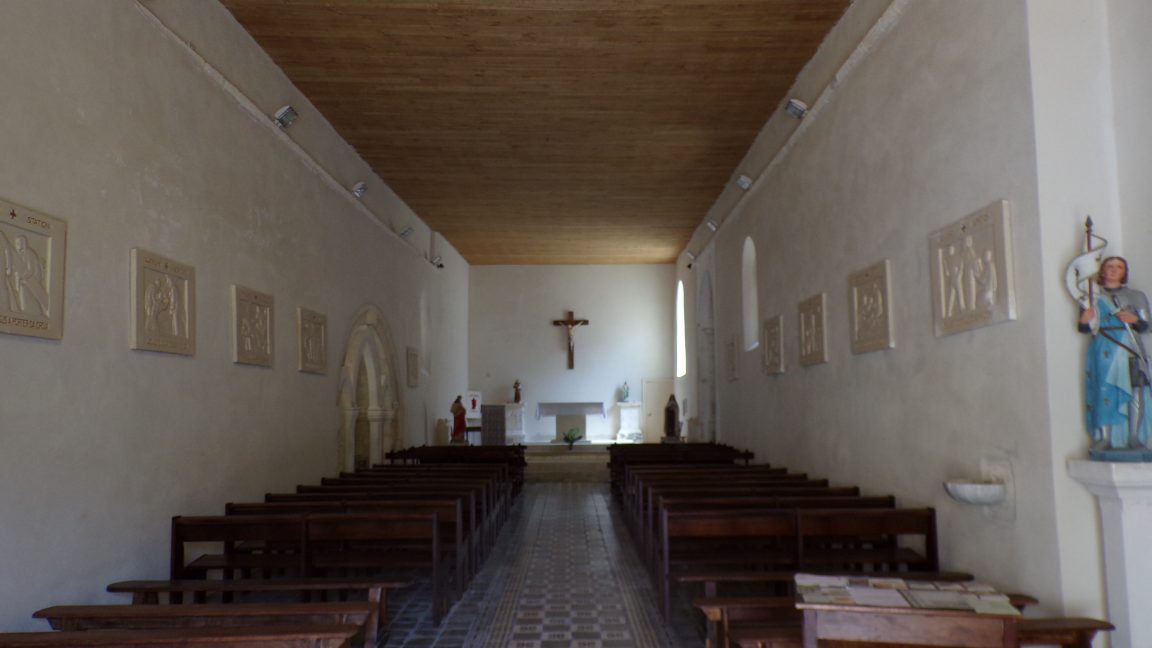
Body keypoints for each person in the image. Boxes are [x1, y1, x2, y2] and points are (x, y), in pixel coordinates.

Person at [1079, 256, 1152, 450]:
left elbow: (1146, 326)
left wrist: (1133, 319)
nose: (1113, 270)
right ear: (1102, 271)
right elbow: (1085, 329)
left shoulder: (1136, 296)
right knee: (1105, 389)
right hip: (1105, 347)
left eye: (1119, 267)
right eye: (1109, 266)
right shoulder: (1092, 297)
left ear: (1124, 272)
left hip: (1130, 345)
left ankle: (1135, 436)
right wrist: (1085, 320)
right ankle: (1105, 437)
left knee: (1137, 388)